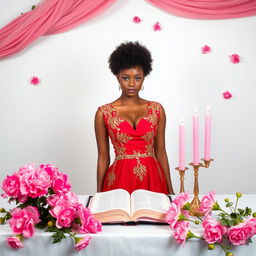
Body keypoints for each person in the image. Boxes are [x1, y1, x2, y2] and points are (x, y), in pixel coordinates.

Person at [95, 41, 174, 195]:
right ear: (117, 77)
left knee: (155, 217)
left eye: (137, 78)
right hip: (120, 179)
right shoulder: (103, 113)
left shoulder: (156, 109)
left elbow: (161, 152)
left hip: (153, 179)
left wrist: (170, 190)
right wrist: (99, 194)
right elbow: (103, 156)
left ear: (144, 77)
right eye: (126, 78)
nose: (132, 84)